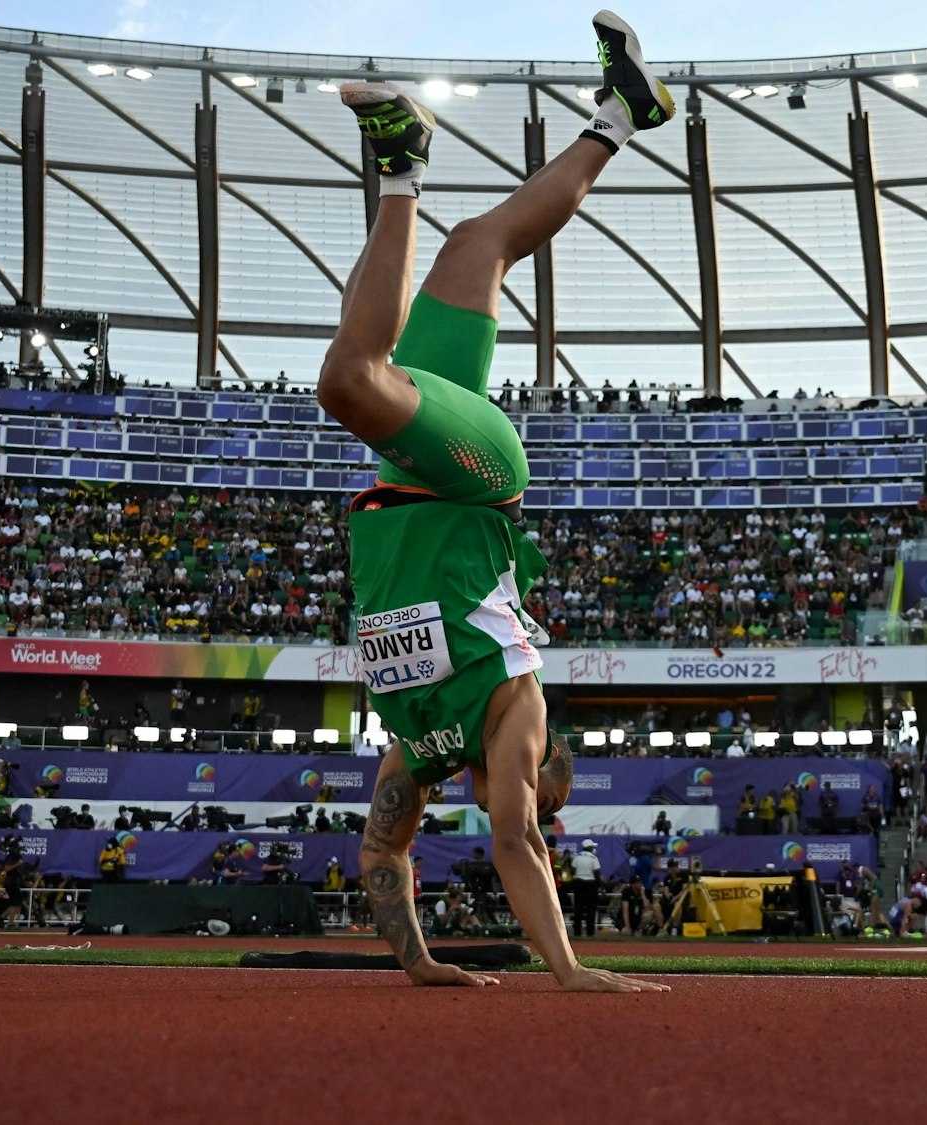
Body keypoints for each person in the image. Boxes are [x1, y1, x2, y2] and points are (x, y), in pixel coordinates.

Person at [326, 12, 672, 993]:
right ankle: (402, 164)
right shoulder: (516, 702)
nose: (521, 802)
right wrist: (568, 968)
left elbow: (380, 853)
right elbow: (517, 838)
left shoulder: (420, 742)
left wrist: (421, 963)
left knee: (480, 244)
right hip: (475, 476)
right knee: (351, 380)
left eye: (532, 798)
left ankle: (622, 114)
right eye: (538, 792)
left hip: (413, 477)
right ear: (541, 759)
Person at [567, 839, 603, 939]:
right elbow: (597, 873)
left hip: (578, 882)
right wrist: (601, 886)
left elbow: (572, 870)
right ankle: (590, 932)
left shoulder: (577, 857)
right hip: (590, 883)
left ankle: (577, 931)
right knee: (591, 908)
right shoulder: (594, 858)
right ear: (590, 848)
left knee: (578, 907)